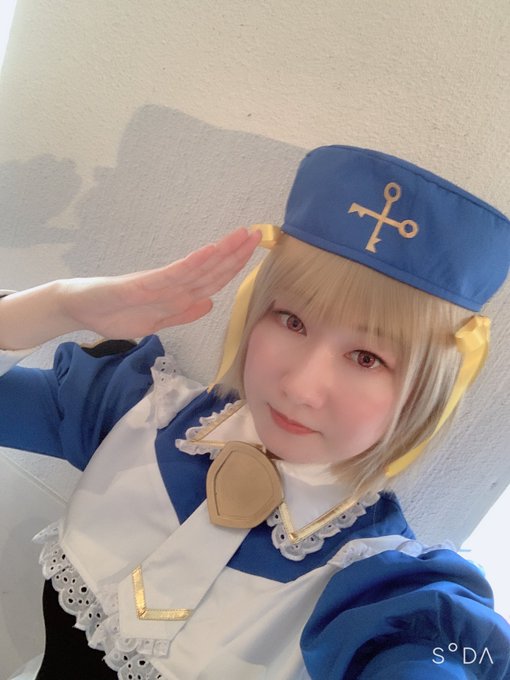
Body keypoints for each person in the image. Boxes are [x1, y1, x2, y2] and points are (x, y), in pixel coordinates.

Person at [1, 145, 509, 680]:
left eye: (367, 357)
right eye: (292, 320)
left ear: (428, 389)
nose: (300, 387)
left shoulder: (383, 592)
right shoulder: (138, 413)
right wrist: (59, 305)